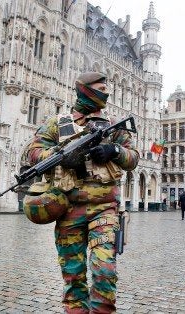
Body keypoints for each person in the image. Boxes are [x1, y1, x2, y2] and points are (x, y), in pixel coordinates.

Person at [24, 72, 139, 313]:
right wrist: (62, 156)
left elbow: (132, 158)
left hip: (104, 210)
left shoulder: (113, 125)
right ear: (85, 90)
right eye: (101, 88)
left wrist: (113, 150)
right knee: (73, 278)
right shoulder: (59, 123)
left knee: (104, 271)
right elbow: (32, 152)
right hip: (67, 209)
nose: (106, 92)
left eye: (107, 88)